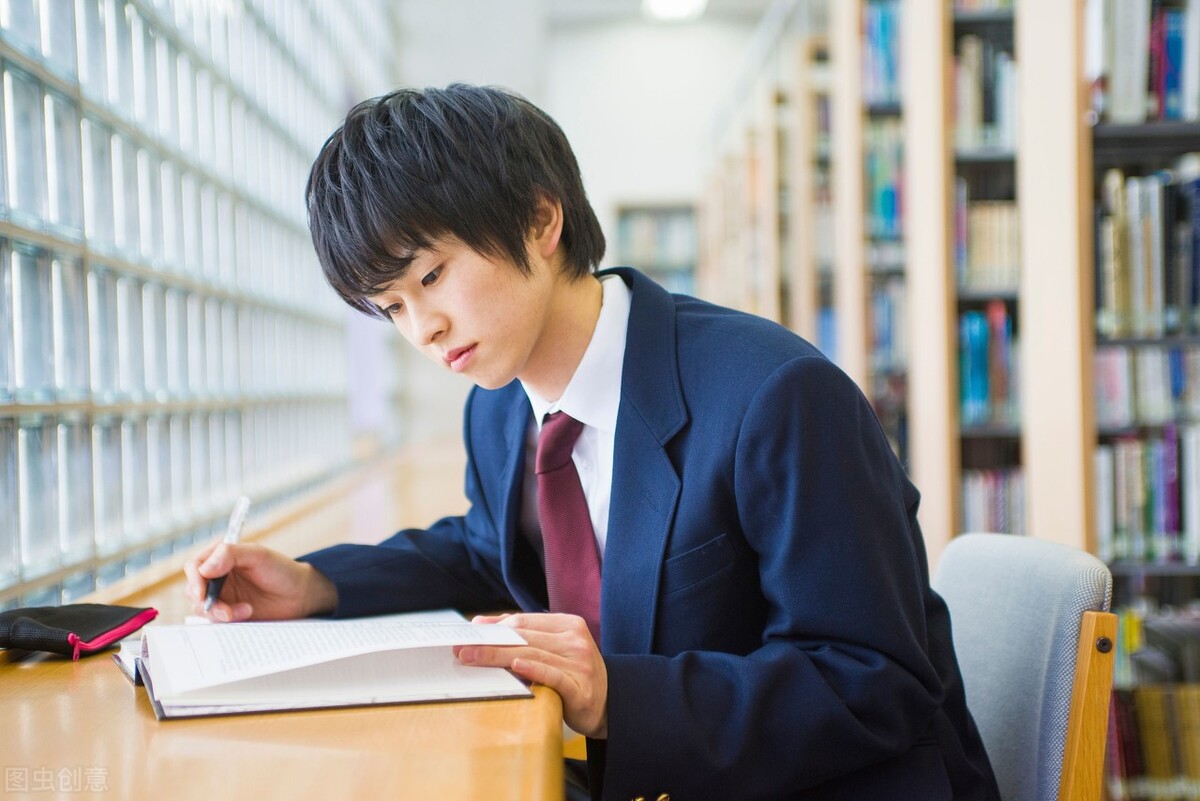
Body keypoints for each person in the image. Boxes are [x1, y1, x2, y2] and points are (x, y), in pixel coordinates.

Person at [184, 83, 999, 801]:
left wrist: (617, 696)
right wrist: (315, 585)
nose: (424, 329)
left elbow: (875, 682)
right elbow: (487, 552)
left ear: (541, 218)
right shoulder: (501, 405)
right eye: (391, 307)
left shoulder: (776, 396)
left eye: (431, 276)